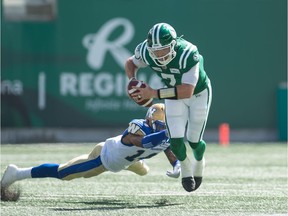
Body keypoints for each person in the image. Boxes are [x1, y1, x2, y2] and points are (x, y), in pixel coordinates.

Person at [1, 103, 181, 201]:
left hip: (125, 159)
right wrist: (167, 132)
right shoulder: (139, 128)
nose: (164, 129)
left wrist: (176, 164)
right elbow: (143, 142)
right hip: (105, 156)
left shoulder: (164, 135)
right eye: (161, 126)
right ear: (150, 121)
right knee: (64, 173)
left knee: (144, 171)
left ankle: (131, 161)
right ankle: (16, 173)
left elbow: (167, 147)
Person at [125, 23, 212, 192]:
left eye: (164, 49)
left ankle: (199, 160)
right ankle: (186, 167)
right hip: (171, 95)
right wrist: (132, 81)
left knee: (194, 140)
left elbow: (187, 90)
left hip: (198, 94)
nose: (159, 54)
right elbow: (131, 63)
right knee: (175, 140)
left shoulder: (188, 53)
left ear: (173, 44)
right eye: (155, 50)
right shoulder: (145, 50)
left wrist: (153, 93)